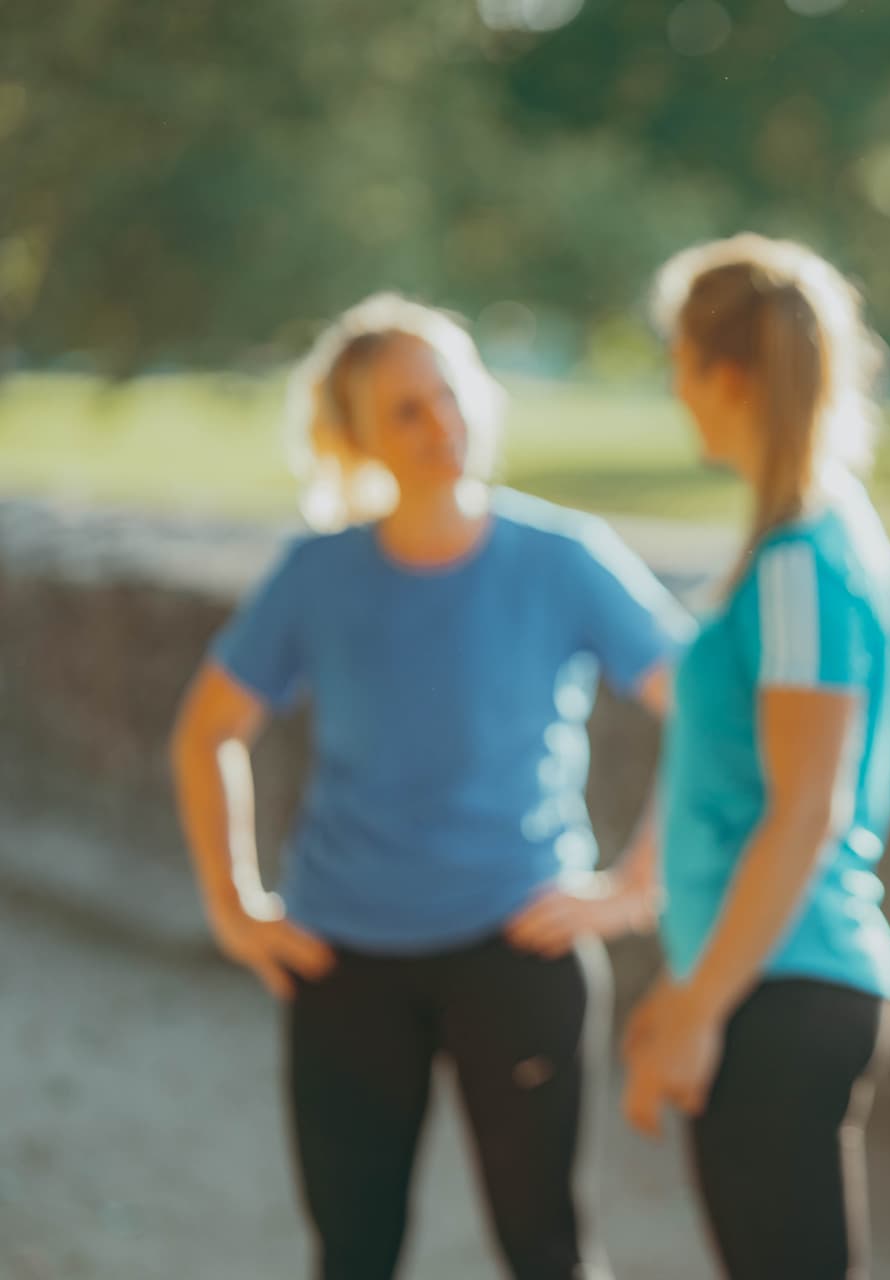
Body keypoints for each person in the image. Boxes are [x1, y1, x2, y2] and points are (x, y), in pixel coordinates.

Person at [169, 293, 691, 1280]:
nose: (438, 424)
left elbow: (709, 711)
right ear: (356, 433)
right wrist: (235, 905)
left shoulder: (564, 557)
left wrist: (633, 882)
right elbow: (205, 734)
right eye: (404, 408)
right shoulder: (316, 574)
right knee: (353, 1249)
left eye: (449, 394)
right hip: (343, 959)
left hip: (519, 946)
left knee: (547, 1249)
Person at [605, 234, 890, 1280]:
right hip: (764, 979)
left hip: (787, 985)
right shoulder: (803, 543)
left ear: (721, 373)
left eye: (678, 362)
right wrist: (677, 967)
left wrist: (699, 1003)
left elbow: (804, 811)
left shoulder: (801, 560)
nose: (676, 390)